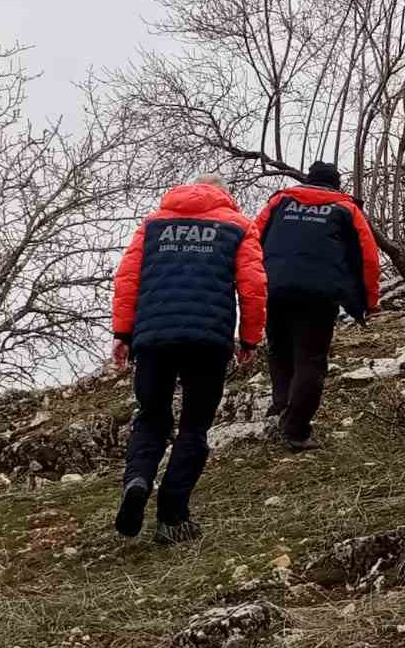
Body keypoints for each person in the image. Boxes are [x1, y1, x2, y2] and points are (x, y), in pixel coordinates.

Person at [110, 173, 265, 544]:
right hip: (207, 341)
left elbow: (127, 279)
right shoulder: (239, 226)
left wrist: (123, 334)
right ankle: (172, 516)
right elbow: (254, 287)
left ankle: (138, 479)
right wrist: (249, 339)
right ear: (224, 195)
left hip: (153, 337)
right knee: (194, 426)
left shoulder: (152, 225)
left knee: (151, 416)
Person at [252, 161, 380, 451]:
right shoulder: (346, 209)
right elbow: (369, 258)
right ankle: (296, 430)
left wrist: (250, 287)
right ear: (336, 184)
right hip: (320, 295)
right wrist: (370, 301)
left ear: (309, 179)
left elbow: (252, 239)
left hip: (275, 287)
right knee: (311, 358)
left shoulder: (280, 202)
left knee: (279, 349)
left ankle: (283, 405)